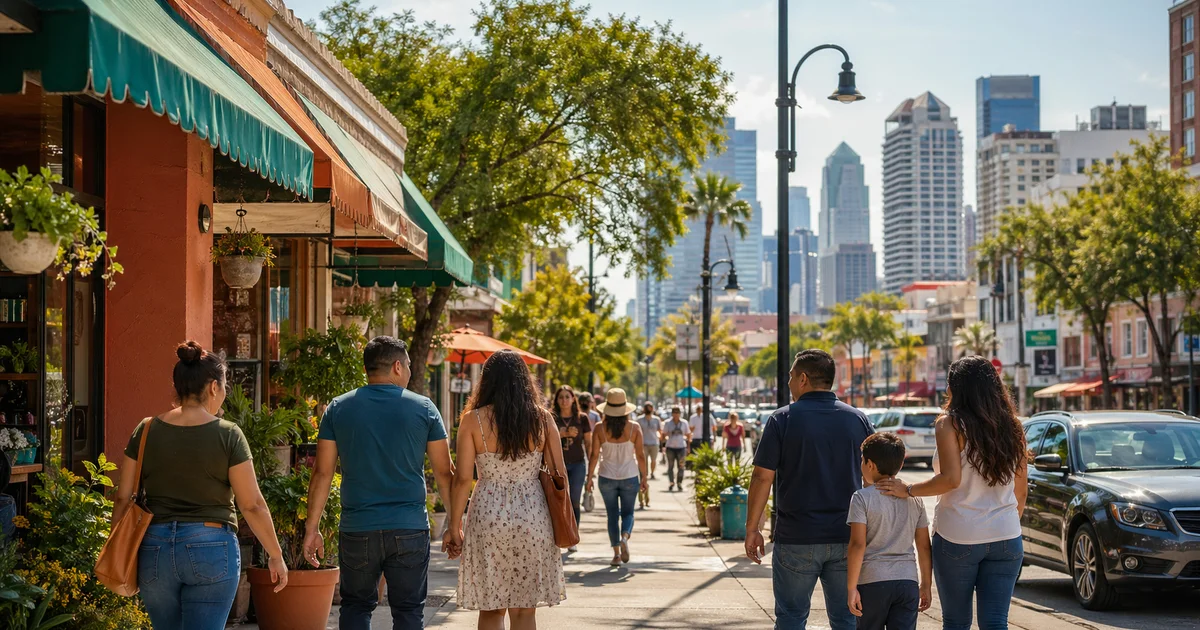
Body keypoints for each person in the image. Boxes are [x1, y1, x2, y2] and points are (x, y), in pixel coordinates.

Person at [113, 342, 288, 630]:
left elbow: (122, 498)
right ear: (213, 388)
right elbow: (251, 504)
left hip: (154, 548)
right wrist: (275, 555)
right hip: (211, 546)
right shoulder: (229, 434)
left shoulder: (145, 430)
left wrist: (117, 547)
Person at [303, 336, 455, 630]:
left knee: (356, 607)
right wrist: (453, 523)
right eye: (409, 365)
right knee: (409, 612)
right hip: (409, 528)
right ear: (397, 367)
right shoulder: (424, 408)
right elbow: (444, 473)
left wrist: (313, 529)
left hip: (358, 529)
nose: (410, 372)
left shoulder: (338, 408)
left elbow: (322, 473)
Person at [876, 356, 1028, 630]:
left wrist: (907, 489)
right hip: (1007, 537)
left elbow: (950, 480)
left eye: (949, 384)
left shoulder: (949, 424)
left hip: (959, 536)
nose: (946, 390)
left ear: (958, 388)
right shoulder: (1012, 425)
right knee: (996, 622)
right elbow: (1021, 491)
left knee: (956, 622)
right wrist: (1002, 523)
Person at [745, 349, 874, 630]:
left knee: (791, 618)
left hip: (796, 537)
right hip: (847, 536)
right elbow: (874, 480)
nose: (789, 383)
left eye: (791, 377)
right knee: (847, 618)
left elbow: (762, 477)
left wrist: (752, 527)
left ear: (803, 379)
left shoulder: (782, 419)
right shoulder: (858, 420)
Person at [447, 350, 567, 630]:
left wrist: (454, 526)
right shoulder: (543, 420)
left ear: (486, 382)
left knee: (491, 609)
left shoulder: (472, 420)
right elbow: (560, 474)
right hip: (533, 515)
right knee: (525, 611)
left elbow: (463, 478)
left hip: (487, 513)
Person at [846, 433, 932, 630]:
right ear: (900, 465)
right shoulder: (914, 498)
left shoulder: (861, 498)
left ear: (870, 465)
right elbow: (924, 547)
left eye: (862, 460)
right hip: (907, 581)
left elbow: (858, 545)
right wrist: (925, 584)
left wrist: (851, 588)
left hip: (872, 582)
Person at [586, 388, 649, 567]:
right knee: (628, 513)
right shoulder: (634, 428)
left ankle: (615, 555)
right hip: (630, 476)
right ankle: (625, 537)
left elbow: (594, 456)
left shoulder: (599, 428)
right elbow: (641, 455)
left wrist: (589, 478)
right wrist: (644, 478)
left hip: (606, 477)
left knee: (612, 515)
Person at [552, 384, 591, 551]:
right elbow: (544, 439)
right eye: (561, 397)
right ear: (557, 400)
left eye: (567, 397)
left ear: (573, 399)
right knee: (558, 501)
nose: (564, 400)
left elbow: (588, 443)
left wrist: (591, 469)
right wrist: (559, 434)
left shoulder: (582, 418)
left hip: (578, 464)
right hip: (556, 464)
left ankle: (573, 537)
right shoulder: (552, 418)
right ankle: (559, 535)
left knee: (574, 500)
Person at [635, 402, 663, 509]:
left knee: (653, 462)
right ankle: (642, 500)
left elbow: (660, 431)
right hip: (642, 446)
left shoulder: (656, 419)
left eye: (650, 407)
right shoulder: (639, 420)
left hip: (653, 443)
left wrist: (661, 440)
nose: (648, 409)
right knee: (642, 474)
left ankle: (651, 473)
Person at [662, 406, 691, 491]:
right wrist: (663, 446)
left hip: (681, 447)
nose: (676, 415)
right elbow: (663, 434)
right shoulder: (668, 423)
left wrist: (688, 447)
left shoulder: (684, 423)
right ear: (672, 414)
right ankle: (671, 482)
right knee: (670, 466)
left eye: (677, 413)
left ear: (679, 414)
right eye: (674, 413)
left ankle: (679, 482)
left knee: (681, 466)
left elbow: (688, 434)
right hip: (670, 447)